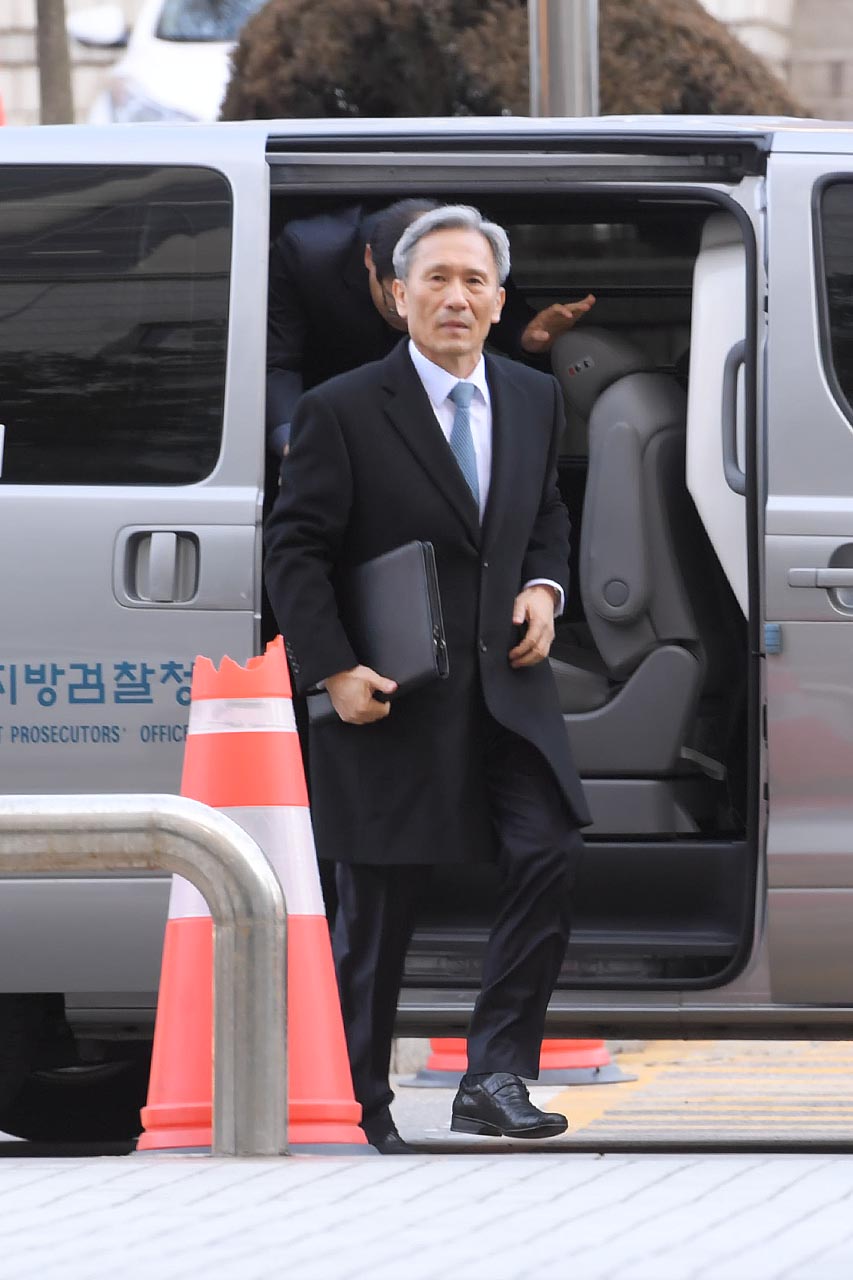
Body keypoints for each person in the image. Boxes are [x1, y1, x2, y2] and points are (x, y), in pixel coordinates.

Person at [264, 203, 591, 1154]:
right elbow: (295, 551)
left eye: (473, 280)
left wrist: (544, 586)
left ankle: (491, 1073)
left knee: (549, 850)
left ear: (497, 300)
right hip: (391, 692)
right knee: (378, 906)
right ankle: (358, 1107)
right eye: (435, 279)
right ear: (397, 294)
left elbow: (547, 512)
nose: (455, 296)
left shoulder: (531, 397)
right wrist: (333, 670)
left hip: (505, 688)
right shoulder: (341, 407)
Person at [265, 198, 595, 456]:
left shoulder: (465, 246)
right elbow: (279, 362)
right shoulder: (307, 254)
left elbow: (503, 316)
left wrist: (526, 338)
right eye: (395, 299)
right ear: (369, 261)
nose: (412, 317)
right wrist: (295, 442)